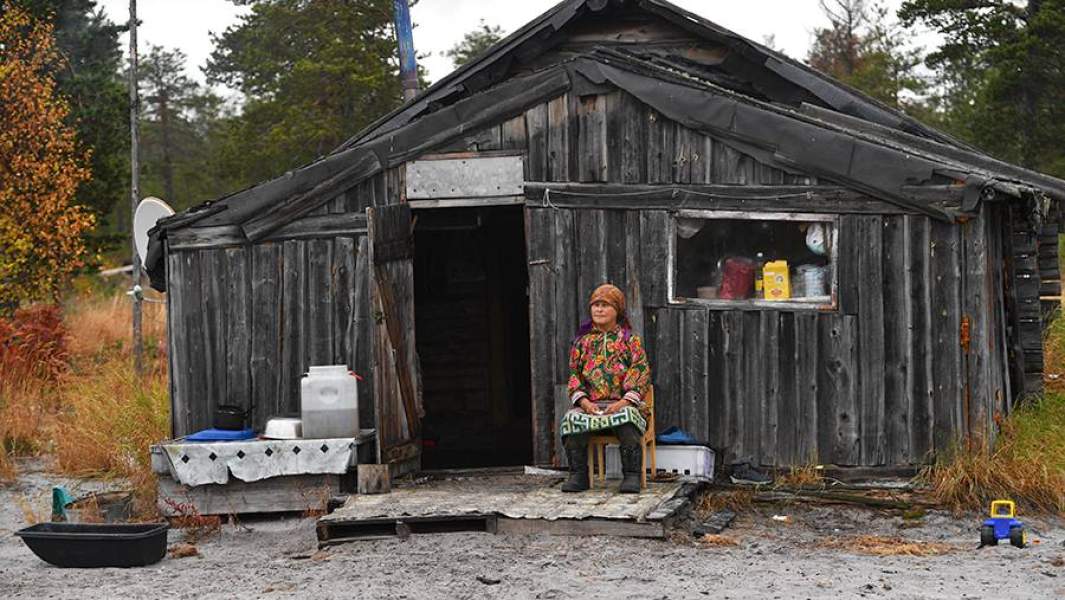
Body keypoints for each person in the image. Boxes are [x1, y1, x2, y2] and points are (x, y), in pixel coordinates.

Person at [559, 283, 651, 493]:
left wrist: (622, 403)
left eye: (605, 305)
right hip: (591, 407)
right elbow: (574, 376)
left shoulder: (630, 341)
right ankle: (578, 475)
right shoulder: (582, 343)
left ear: (617, 310)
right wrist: (584, 403)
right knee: (571, 420)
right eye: (595, 305)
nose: (599, 309)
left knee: (628, 419)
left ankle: (631, 476)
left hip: (622, 404)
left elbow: (640, 373)